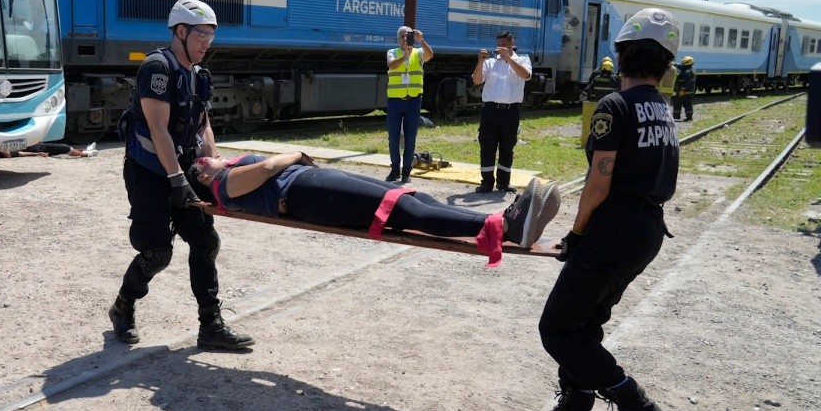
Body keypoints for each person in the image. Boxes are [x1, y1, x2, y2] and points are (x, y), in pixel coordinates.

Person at [523, 8, 680, 411]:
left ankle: (637, 406)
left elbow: (597, 184)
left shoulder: (615, 106)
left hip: (613, 231)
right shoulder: (663, 110)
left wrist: (576, 235)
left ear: (621, 55)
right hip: (646, 232)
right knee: (584, 325)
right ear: (666, 64)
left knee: (557, 328)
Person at [108, 0, 254, 350]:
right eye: (202, 35)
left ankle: (211, 325)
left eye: (211, 37)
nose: (207, 43)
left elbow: (203, 125)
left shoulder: (198, 74)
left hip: (182, 167)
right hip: (149, 170)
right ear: (181, 31)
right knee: (158, 252)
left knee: (205, 242)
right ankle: (122, 307)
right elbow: (158, 130)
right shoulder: (157, 68)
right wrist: (176, 180)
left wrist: (215, 166)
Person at [190, 152, 560, 265]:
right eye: (201, 165)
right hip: (304, 194)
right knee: (400, 213)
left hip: (310, 186)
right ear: (204, 181)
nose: (207, 157)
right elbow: (272, 168)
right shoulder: (225, 185)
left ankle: (505, 221)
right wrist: (294, 156)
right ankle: (504, 227)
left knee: (410, 199)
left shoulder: (225, 172)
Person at [472, 31, 532, 193]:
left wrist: (509, 59)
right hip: (490, 110)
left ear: (512, 43)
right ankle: (486, 182)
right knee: (487, 146)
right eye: (498, 45)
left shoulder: (523, 59)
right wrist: (479, 62)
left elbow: (526, 75)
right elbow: (477, 80)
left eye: (503, 45)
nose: (500, 48)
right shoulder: (491, 62)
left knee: (507, 147)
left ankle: (504, 183)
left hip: (510, 111)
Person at [385, 26, 433, 183]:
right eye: (403, 37)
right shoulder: (393, 52)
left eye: (409, 36)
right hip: (395, 100)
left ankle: (406, 172)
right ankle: (394, 170)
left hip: (413, 100)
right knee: (393, 137)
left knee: (410, 138)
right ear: (398, 39)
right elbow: (391, 65)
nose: (406, 39)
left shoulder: (418, 52)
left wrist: (421, 41)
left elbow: (429, 55)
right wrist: (404, 56)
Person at [0, 142, 98, 159]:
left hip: (36, 146)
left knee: (64, 148)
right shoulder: (6, 153)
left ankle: (86, 151)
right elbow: (21, 153)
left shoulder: (1, 148)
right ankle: (87, 155)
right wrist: (37, 153)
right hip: (38, 148)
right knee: (66, 148)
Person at [672, 56, 696, 121]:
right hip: (688, 91)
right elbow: (681, 66)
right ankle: (689, 117)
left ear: (686, 63)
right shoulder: (688, 68)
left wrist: (682, 89)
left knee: (678, 102)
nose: (682, 63)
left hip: (684, 91)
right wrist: (674, 64)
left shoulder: (687, 71)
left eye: (683, 62)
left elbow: (686, 82)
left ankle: (677, 116)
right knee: (688, 104)